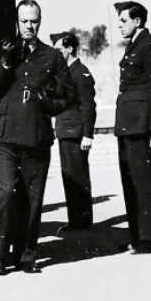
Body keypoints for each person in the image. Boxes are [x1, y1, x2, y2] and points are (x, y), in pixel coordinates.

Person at [0, 0, 76, 275]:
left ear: (40, 20)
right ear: (16, 20)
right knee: (3, 194)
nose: (29, 26)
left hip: (36, 133)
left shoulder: (52, 56)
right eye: (24, 20)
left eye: (34, 21)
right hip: (2, 134)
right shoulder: (2, 49)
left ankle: (27, 256)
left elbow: (69, 95)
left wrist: (44, 103)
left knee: (33, 198)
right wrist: (4, 60)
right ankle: (0, 257)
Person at [114, 0, 151, 255]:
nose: (119, 25)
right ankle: (137, 236)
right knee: (130, 182)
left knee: (144, 182)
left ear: (138, 21)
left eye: (124, 20)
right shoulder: (134, 46)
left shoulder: (150, 47)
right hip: (128, 125)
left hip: (141, 127)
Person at [50, 31, 97, 233]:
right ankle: (75, 221)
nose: (57, 54)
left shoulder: (80, 73)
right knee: (69, 177)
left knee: (78, 178)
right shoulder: (66, 72)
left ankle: (83, 222)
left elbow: (88, 106)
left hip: (76, 133)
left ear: (69, 49)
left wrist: (88, 134)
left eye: (59, 50)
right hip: (65, 131)